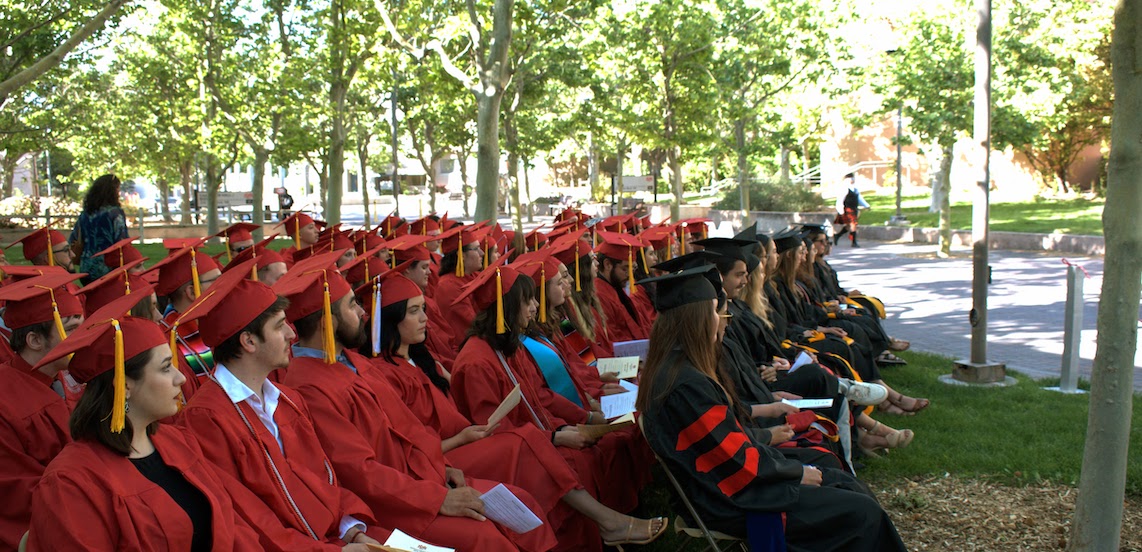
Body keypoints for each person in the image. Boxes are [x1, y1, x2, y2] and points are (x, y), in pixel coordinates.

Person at [363, 268, 665, 552]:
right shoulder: (469, 362)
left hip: (487, 442)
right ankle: (607, 523)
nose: (426, 318)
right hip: (446, 460)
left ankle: (611, 521)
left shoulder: (494, 349)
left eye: (423, 309)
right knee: (536, 448)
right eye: (414, 311)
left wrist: (586, 415)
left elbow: (544, 395)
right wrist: (555, 436)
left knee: (574, 447)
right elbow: (416, 442)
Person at [275, 253, 557, 551]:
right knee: (484, 536)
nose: (363, 312)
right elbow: (360, 471)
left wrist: (444, 467)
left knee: (519, 504)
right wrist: (436, 498)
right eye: (352, 305)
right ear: (327, 322)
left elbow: (410, 429)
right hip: (393, 505)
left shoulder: (354, 362)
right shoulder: (309, 386)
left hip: (425, 479)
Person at [636, 264, 908, 551]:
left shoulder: (676, 370)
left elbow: (729, 449)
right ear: (696, 319)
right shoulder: (687, 385)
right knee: (862, 513)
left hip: (728, 488)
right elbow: (735, 461)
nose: (721, 320)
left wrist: (791, 467)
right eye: (715, 311)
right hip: (730, 500)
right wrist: (796, 472)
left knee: (845, 485)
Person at [27, 293, 263, 551]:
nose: (181, 379)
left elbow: (230, 526)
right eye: (165, 368)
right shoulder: (70, 483)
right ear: (125, 385)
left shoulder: (177, 441)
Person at [177, 262, 386, 550]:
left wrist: (352, 531)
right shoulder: (207, 419)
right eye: (279, 326)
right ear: (248, 341)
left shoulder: (287, 400)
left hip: (333, 538)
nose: (292, 334)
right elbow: (250, 519)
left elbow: (323, 480)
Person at [0, 274, 84, 549]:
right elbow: (16, 492)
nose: (84, 338)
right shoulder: (6, 404)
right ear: (35, 341)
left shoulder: (66, 379)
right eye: (72, 329)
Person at [70, 174, 131, 283]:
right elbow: (122, 241)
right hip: (108, 268)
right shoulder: (115, 213)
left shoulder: (85, 214)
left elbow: (74, 238)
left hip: (86, 267)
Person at [833, 173, 870, 247]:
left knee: (848, 226)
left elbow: (860, 199)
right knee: (853, 224)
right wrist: (841, 210)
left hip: (854, 209)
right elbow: (840, 200)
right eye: (850, 178)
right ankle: (854, 242)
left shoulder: (855, 189)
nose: (852, 179)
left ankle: (837, 235)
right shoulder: (844, 188)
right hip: (848, 209)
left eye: (852, 178)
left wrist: (866, 205)